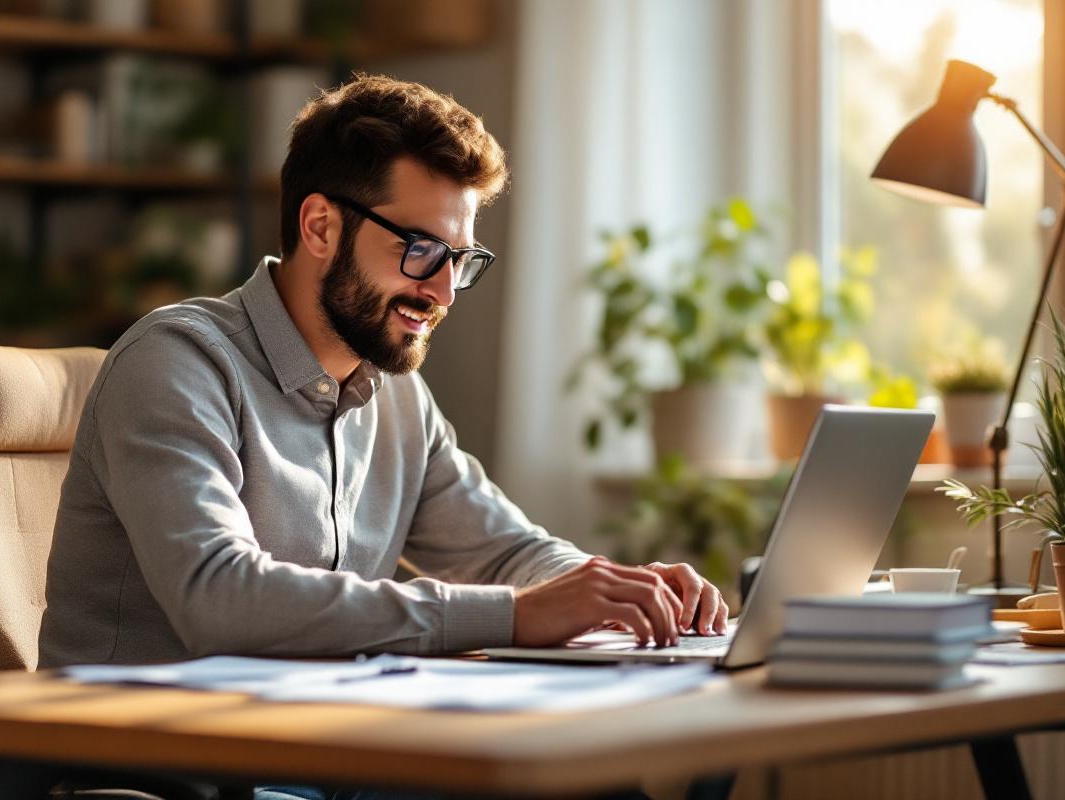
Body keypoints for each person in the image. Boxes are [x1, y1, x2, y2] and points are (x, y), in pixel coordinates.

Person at [37, 76, 727, 796]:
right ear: (320, 227)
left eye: (461, 259)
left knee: (590, 784)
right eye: (423, 249)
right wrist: (517, 616)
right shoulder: (177, 362)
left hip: (332, 757)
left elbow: (504, 551)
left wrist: (620, 593)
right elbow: (218, 598)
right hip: (170, 772)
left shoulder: (396, 397)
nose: (445, 290)